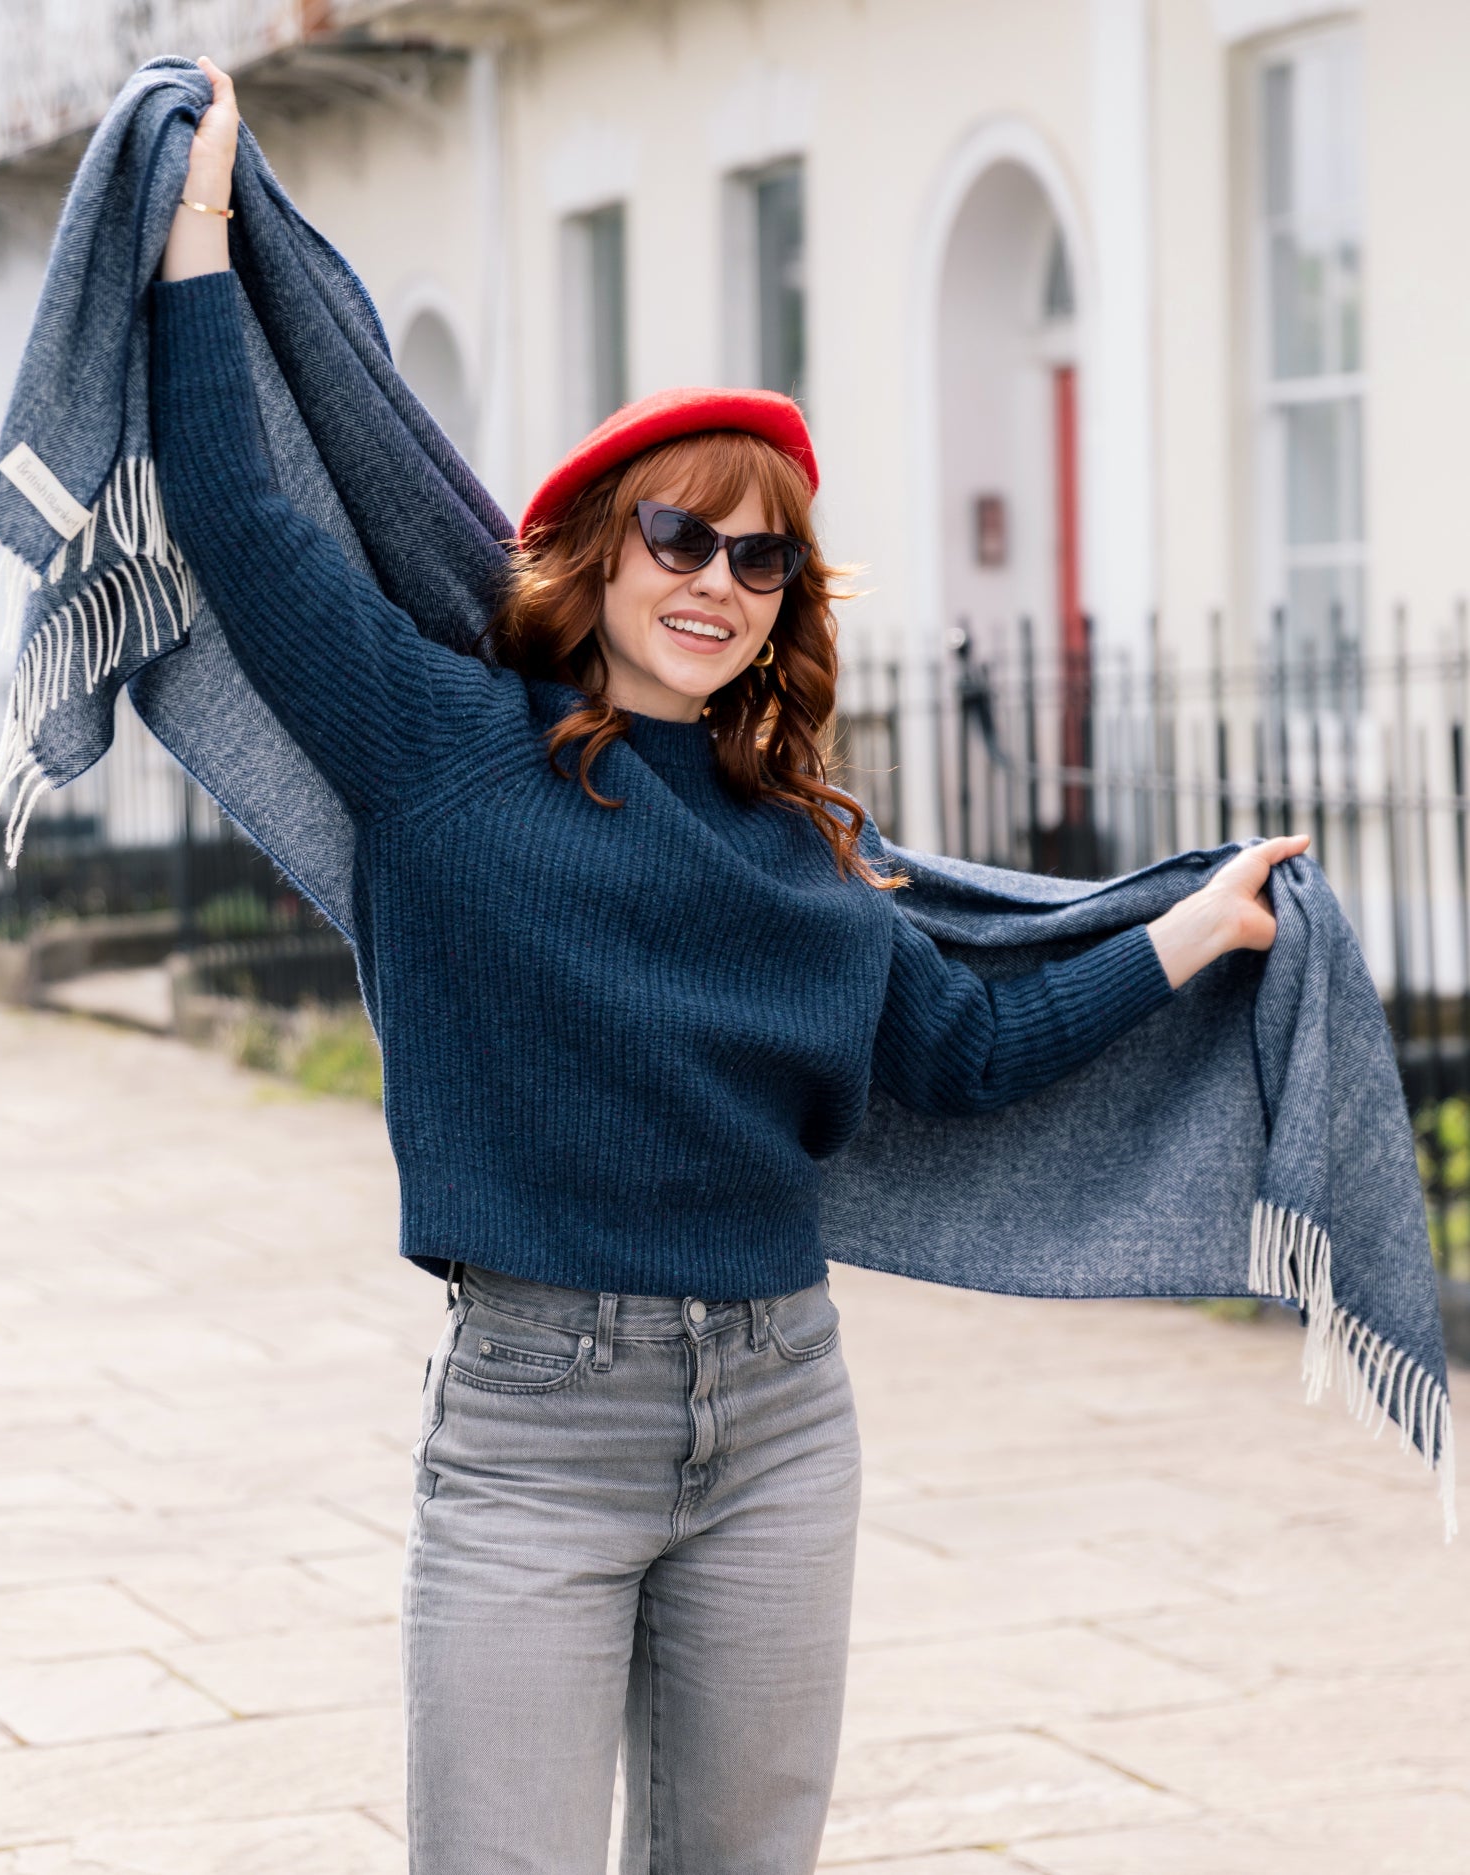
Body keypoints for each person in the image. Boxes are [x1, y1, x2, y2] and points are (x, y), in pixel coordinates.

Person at [154, 57, 1309, 1875]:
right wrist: (202, 220)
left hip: (781, 1413)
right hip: (535, 1428)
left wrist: (1196, 926)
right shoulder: (444, 748)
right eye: (681, 535)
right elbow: (238, 520)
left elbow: (973, 1049)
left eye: (760, 559)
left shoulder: (807, 841)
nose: (717, 581)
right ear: (604, 552)